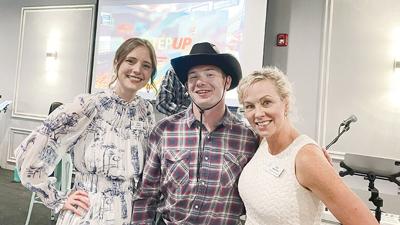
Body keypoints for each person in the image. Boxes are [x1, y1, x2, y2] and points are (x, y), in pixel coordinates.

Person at [15, 37, 157, 225]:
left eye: (146, 66)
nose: (137, 70)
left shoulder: (145, 112)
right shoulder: (88, 106)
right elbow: (30, 152)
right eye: (131, 61)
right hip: (88, 213)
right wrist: (58, 199)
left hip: (129, 215)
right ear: (117, 62)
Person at [131, 42, 259, 225]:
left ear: (227, 81)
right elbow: (145, 197)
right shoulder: (164, 131)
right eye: (193, 76)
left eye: (210, 74)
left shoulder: (248, 138)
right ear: (186, 85)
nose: (200, 82)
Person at [236, 66, 379, 225]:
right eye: (249, 106)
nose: (258, 113)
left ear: (286, 103)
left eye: (267, 102)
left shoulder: (306, 157)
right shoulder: (262, 142)